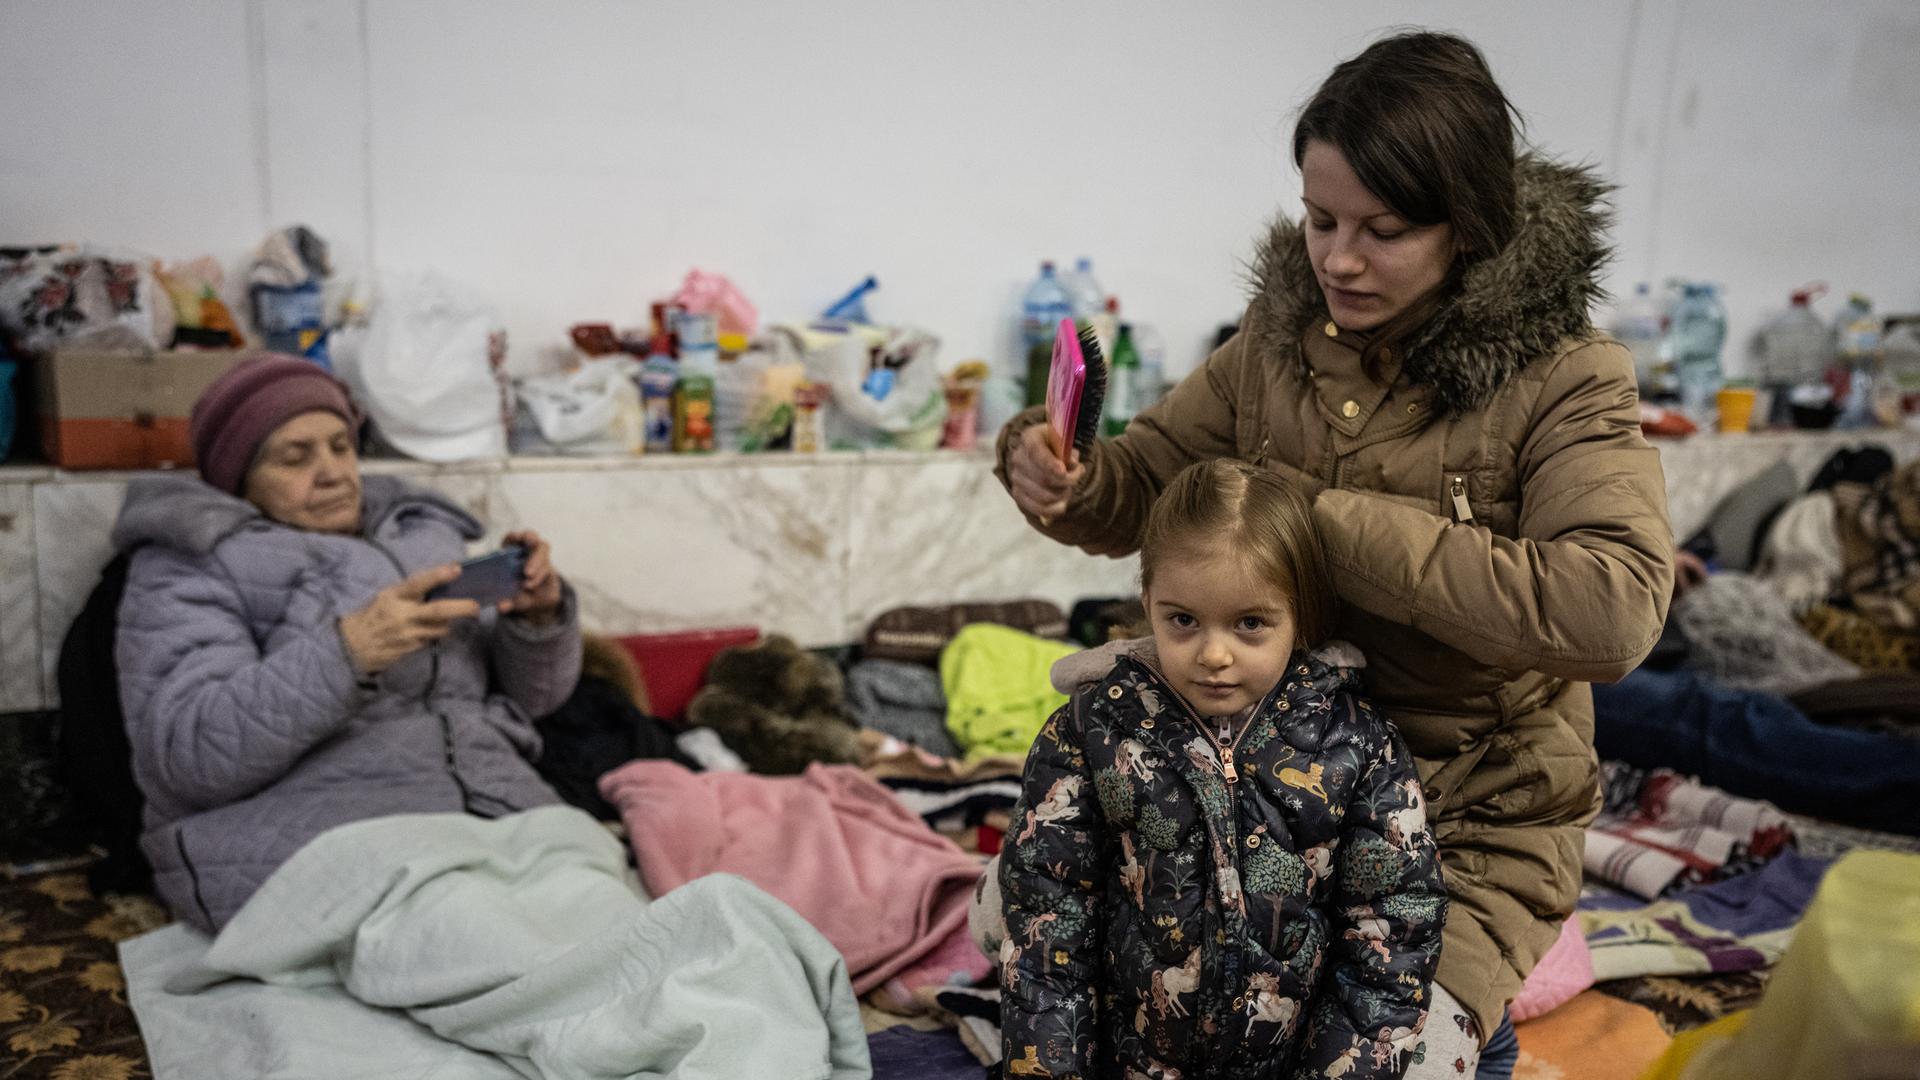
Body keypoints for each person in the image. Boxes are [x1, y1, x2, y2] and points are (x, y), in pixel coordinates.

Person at [998, 30, 1673, 1074]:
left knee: (1381, 1050)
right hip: (1266, 776)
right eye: (1320, 220)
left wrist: (1319, 523)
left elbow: (1612, 609)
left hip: (1466, 811)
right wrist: (1067, 481)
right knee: (1031, 937)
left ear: (1472, 227)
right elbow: (1149, 485)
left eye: (1386, 229)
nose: (1339, 260)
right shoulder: (1278, 337)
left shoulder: (1565, 378)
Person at [111, 355, 863, 1077]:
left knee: (659, 936)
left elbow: (528, 702)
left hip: (510, 821)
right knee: (545, 970)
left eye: (340, 444)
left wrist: (536, 623)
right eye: (295, 456)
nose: (333, 470)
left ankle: (748, 1042)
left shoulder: (413, 534)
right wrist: (347, 652)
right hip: (344, 843)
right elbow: (187, 751)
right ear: (240, 477)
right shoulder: (187, 567)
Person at [999, 459, 1446, 1078]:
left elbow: (1393, 929)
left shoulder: (1360, 745)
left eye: (1250, 624)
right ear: (1149, 602)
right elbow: (1049, 925)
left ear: (1302, 617)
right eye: (1183, 620)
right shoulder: (1088, 731)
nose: (1213, 654)